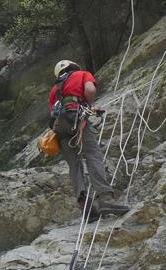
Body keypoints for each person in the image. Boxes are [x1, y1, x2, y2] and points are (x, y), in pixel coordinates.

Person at [49, 60, 128, 221]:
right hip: (77, 119)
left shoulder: (54, 89)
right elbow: (90, 89)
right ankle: (105, 198)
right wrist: (90, 105)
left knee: (74, 165)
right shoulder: (82, 74)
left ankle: (86, 207)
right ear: (73, 66)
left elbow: (53, 112)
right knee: (92, 155)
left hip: (59, 127)